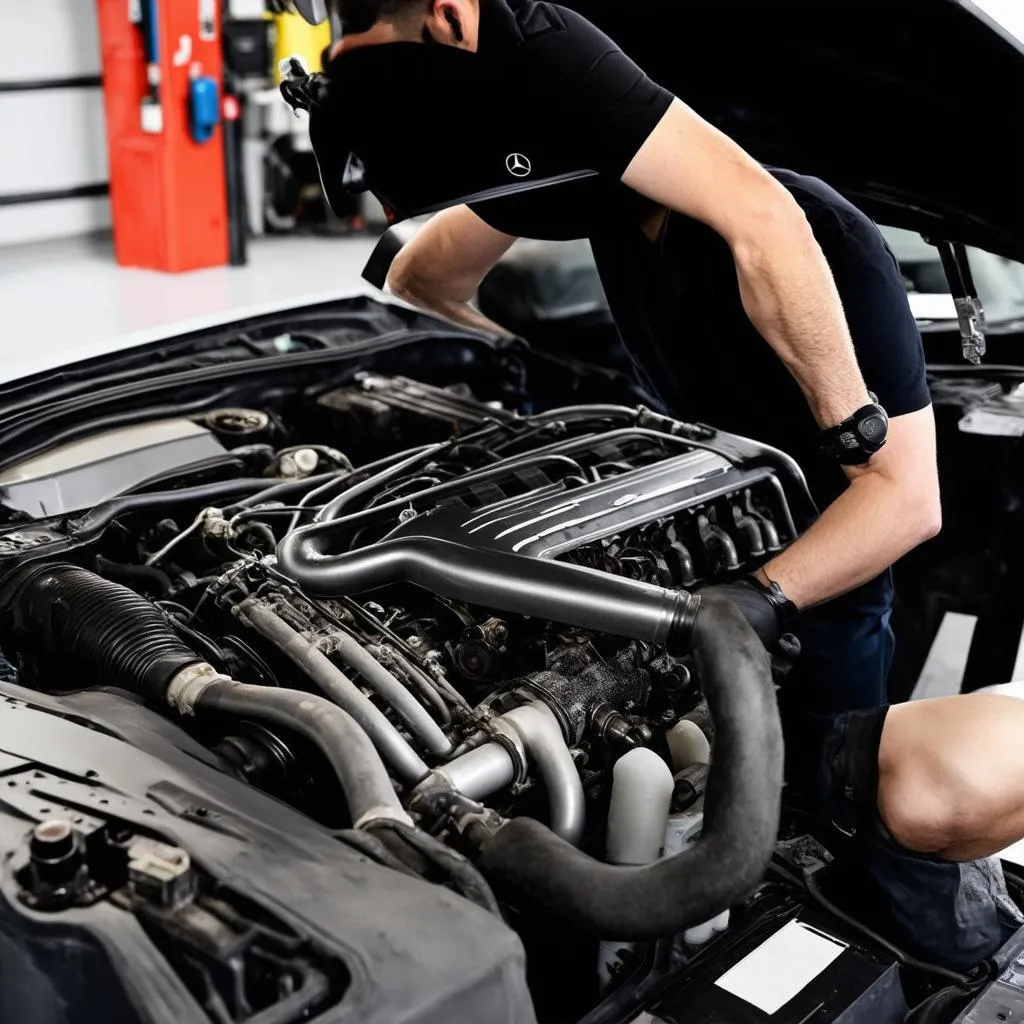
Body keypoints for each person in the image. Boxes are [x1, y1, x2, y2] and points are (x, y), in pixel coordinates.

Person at [277, 0, 1024, 972]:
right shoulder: (592, 193)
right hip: (654, 607)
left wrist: (747, 601)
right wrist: (551, 412)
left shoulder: (829, 244)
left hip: (811, 642)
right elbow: (422, 279)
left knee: (884, 853)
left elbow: (906, 496)